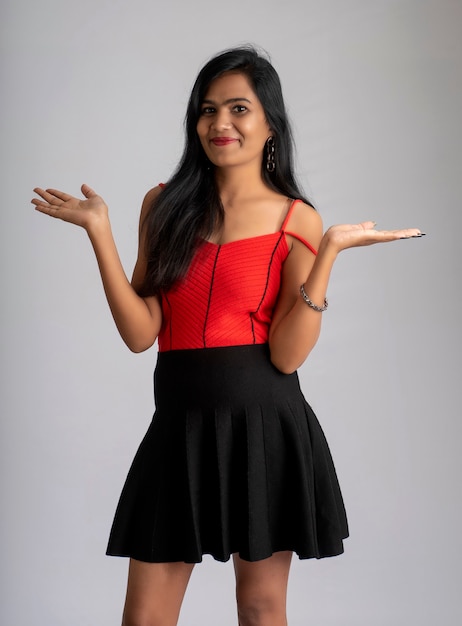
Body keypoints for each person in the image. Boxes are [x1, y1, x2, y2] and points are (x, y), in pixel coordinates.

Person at [32, 46, 424, 626]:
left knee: (261, 608)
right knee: (145, 616)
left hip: (266, 427)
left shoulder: (298, 219)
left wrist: (329, 254)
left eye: (239, 108)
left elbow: (288, 357)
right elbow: (141, 335)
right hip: (179, 426)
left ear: (270, 124)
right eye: (207, 109)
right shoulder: (163, 205)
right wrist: (99, 233)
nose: (220, 124)